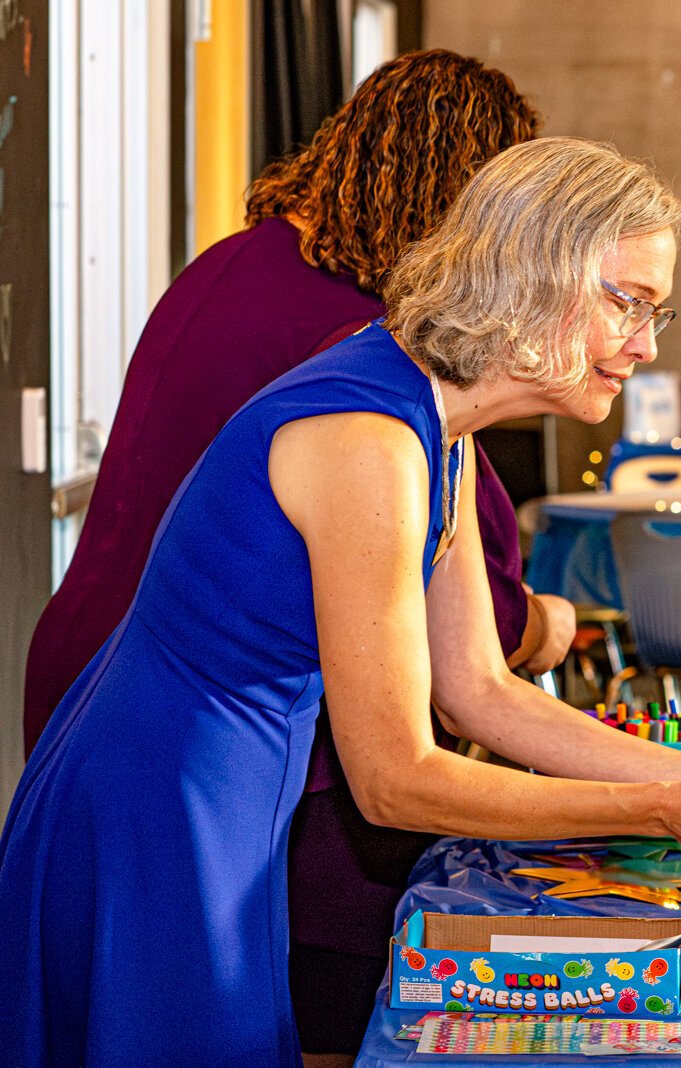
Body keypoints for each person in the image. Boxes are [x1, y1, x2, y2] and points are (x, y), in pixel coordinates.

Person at [0, 137, 681, 1068]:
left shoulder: (440, 424)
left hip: (223, 783)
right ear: (529, 276)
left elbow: (481, 689)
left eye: (657, 310)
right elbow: (394, 780)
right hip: (158, 792)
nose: (647, 345)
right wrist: (654, 807)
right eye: (627, 303)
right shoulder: (368, 438)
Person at [19, 52, 573, 1060]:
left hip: (98, 664)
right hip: (195, 729)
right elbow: (469, 637)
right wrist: (558, 625)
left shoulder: (236, 262)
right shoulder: (375, 360)